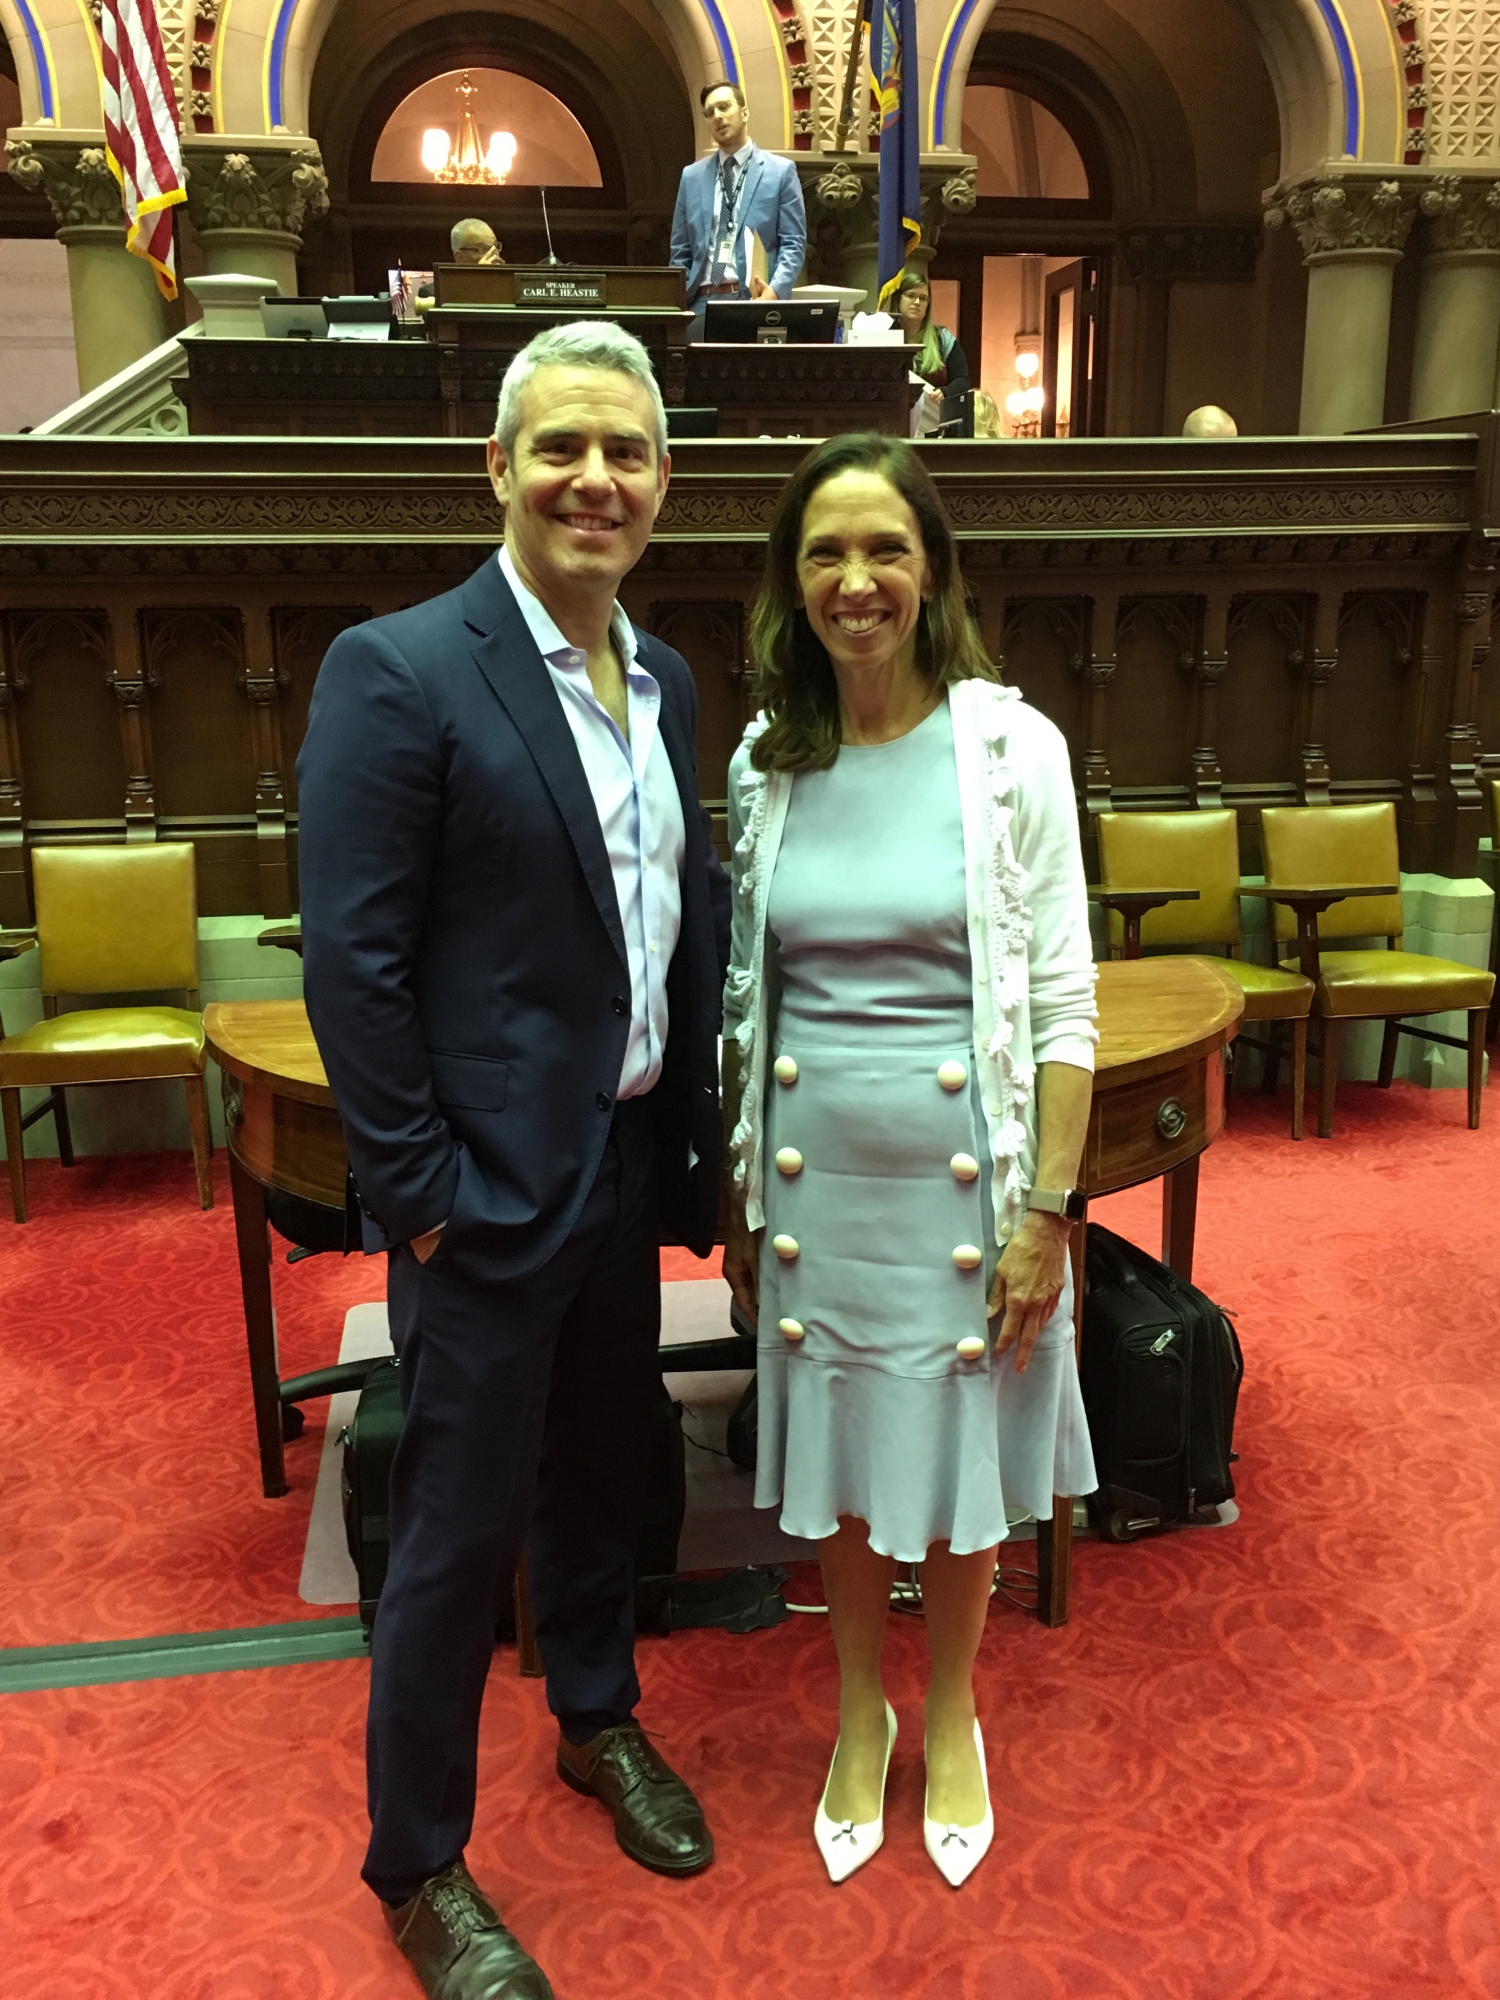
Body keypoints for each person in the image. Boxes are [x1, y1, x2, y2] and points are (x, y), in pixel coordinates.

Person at [298, 321, 729, 2000]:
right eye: (560, 448)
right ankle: (416, 1863)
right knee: (454, 1538)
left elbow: (671, 928)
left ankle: (599, 1720)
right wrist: (421, 1197)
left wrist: (687, 1144)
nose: (594, 480)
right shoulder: (398, 668)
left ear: (662, 486)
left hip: (621, 1173)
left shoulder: (668, 677)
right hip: (480, 1207)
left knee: (609, 1474)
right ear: (497, 468)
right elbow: (357, 966)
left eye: (625, 454)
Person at [721, 432, 1097, 1890]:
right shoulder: (768, 758)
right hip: (820, 1186)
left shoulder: (1014, 748)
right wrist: (745, 1192)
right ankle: (857, 1717)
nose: (855, 580)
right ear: (792, 582)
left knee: (949, 1465)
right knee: (848, 1465)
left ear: (930, 569)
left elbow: (1064, 999)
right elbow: (753, 996)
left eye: (884, 548)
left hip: (968, 1185)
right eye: (825, 553)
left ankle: (949, 1711)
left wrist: (1047, 1212)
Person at [670, 79, 808, 336]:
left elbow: (794, 242)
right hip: (700, 304)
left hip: (754, 300)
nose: (717, 117)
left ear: (744, 112)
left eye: (724, 107)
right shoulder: (691, 177)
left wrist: (774, 292)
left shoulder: (780, 172)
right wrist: (680, 299)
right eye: (710, 113)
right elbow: (680, 250)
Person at [895, 268, 972, 437]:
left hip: (933, 430)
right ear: (898, 299)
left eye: (923, 298)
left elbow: (963, 380)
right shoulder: (886, 337)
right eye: (910, 295)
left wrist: (946, 392)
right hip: (893, 427)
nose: (917, 302)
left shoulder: (942, 338)